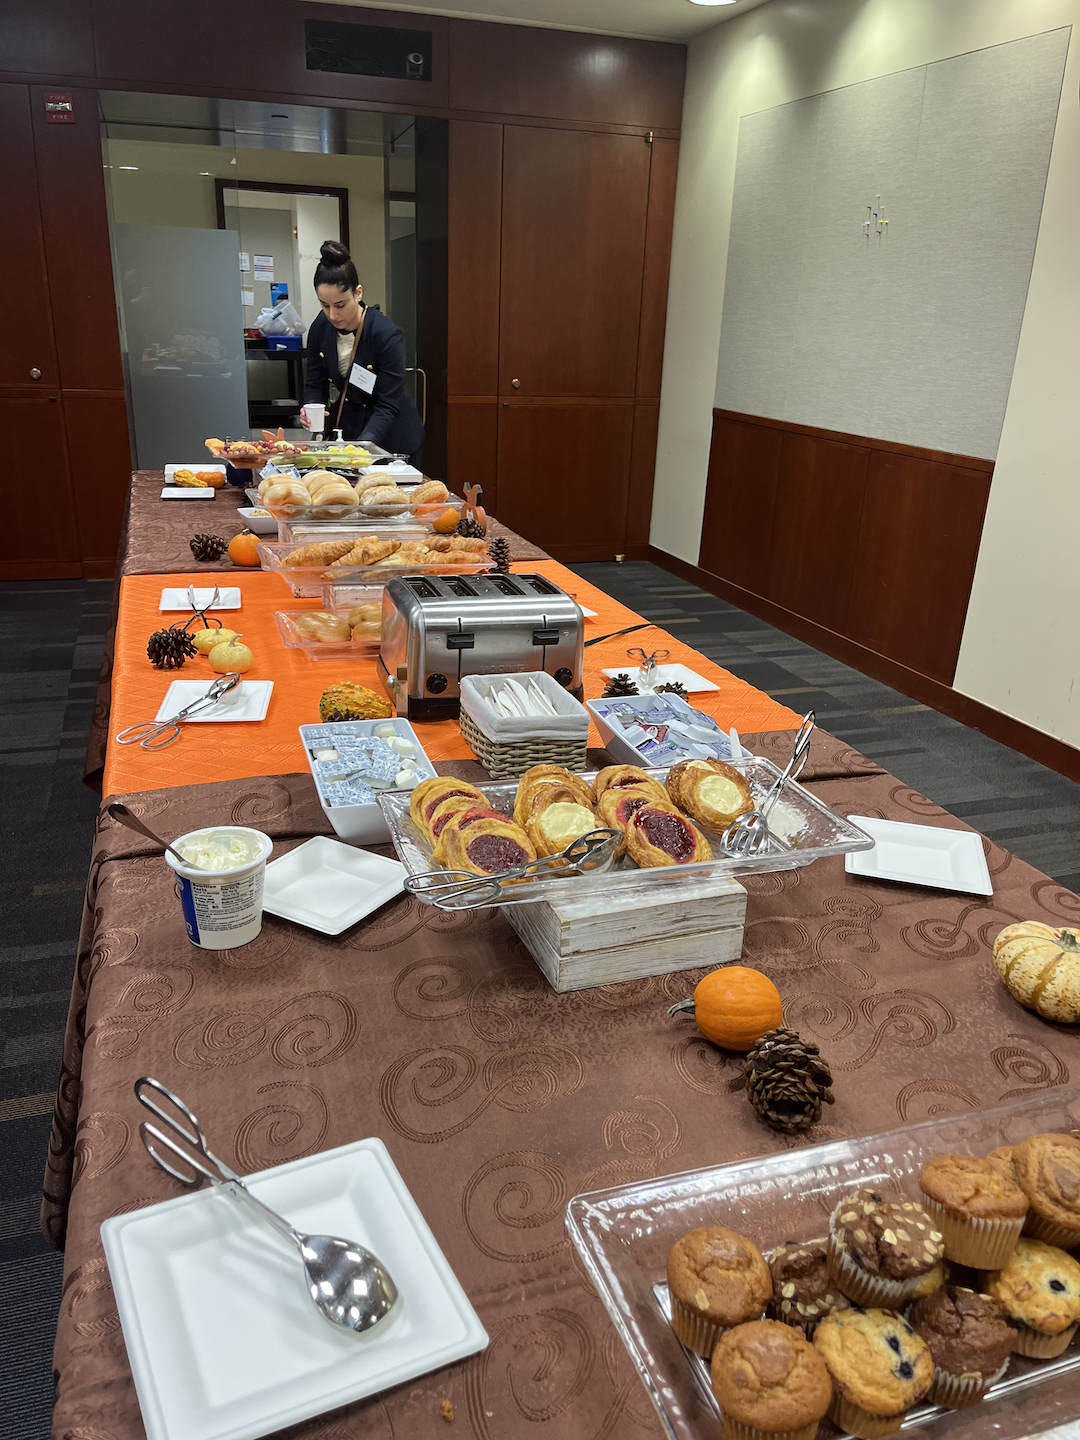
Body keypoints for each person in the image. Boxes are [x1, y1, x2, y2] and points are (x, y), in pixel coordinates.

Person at [301, 239, 424, 463]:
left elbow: (387, 406)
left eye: (340, 305)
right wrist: (310, 409)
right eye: (324, 305)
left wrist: (361, 448)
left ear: (358, 293)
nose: (332, 315)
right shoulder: (321, 327)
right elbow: (314, 382)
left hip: (393, 439)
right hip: (351, 432)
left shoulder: (385, 334)